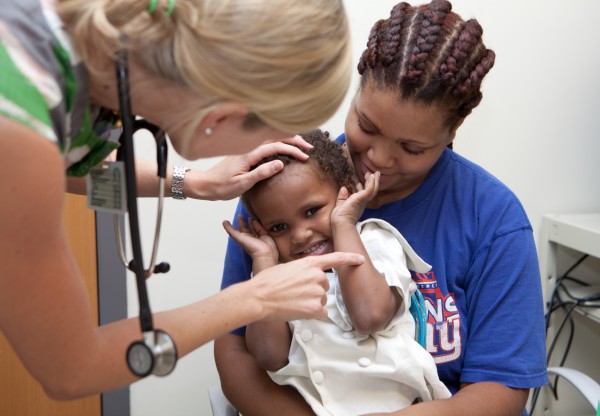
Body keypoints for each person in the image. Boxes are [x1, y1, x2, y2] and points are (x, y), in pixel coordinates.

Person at [0, 0, 367, 401]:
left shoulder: (92, 50)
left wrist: (194, 183)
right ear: (222, 117)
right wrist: (256, 296)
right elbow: (70, 369)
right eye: (273, 135)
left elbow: (69, 163)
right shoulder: (18, 128)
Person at [216, 1, 549, 415]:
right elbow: (234, 344)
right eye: (367, 126)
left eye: (411, 148)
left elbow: (500, 390)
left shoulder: (493, 219)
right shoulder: (284, 186)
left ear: (453, 131)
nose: (379, 158)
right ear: (356, 92)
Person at [223, 129, 451, 415]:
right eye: (278, 228)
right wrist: (265, 265)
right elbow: (269, 356)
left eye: (312, 211)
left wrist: (344, 222)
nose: (300, 235)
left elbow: (369, 317)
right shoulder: (278, 275)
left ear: (346, 191)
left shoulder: (376, 242)